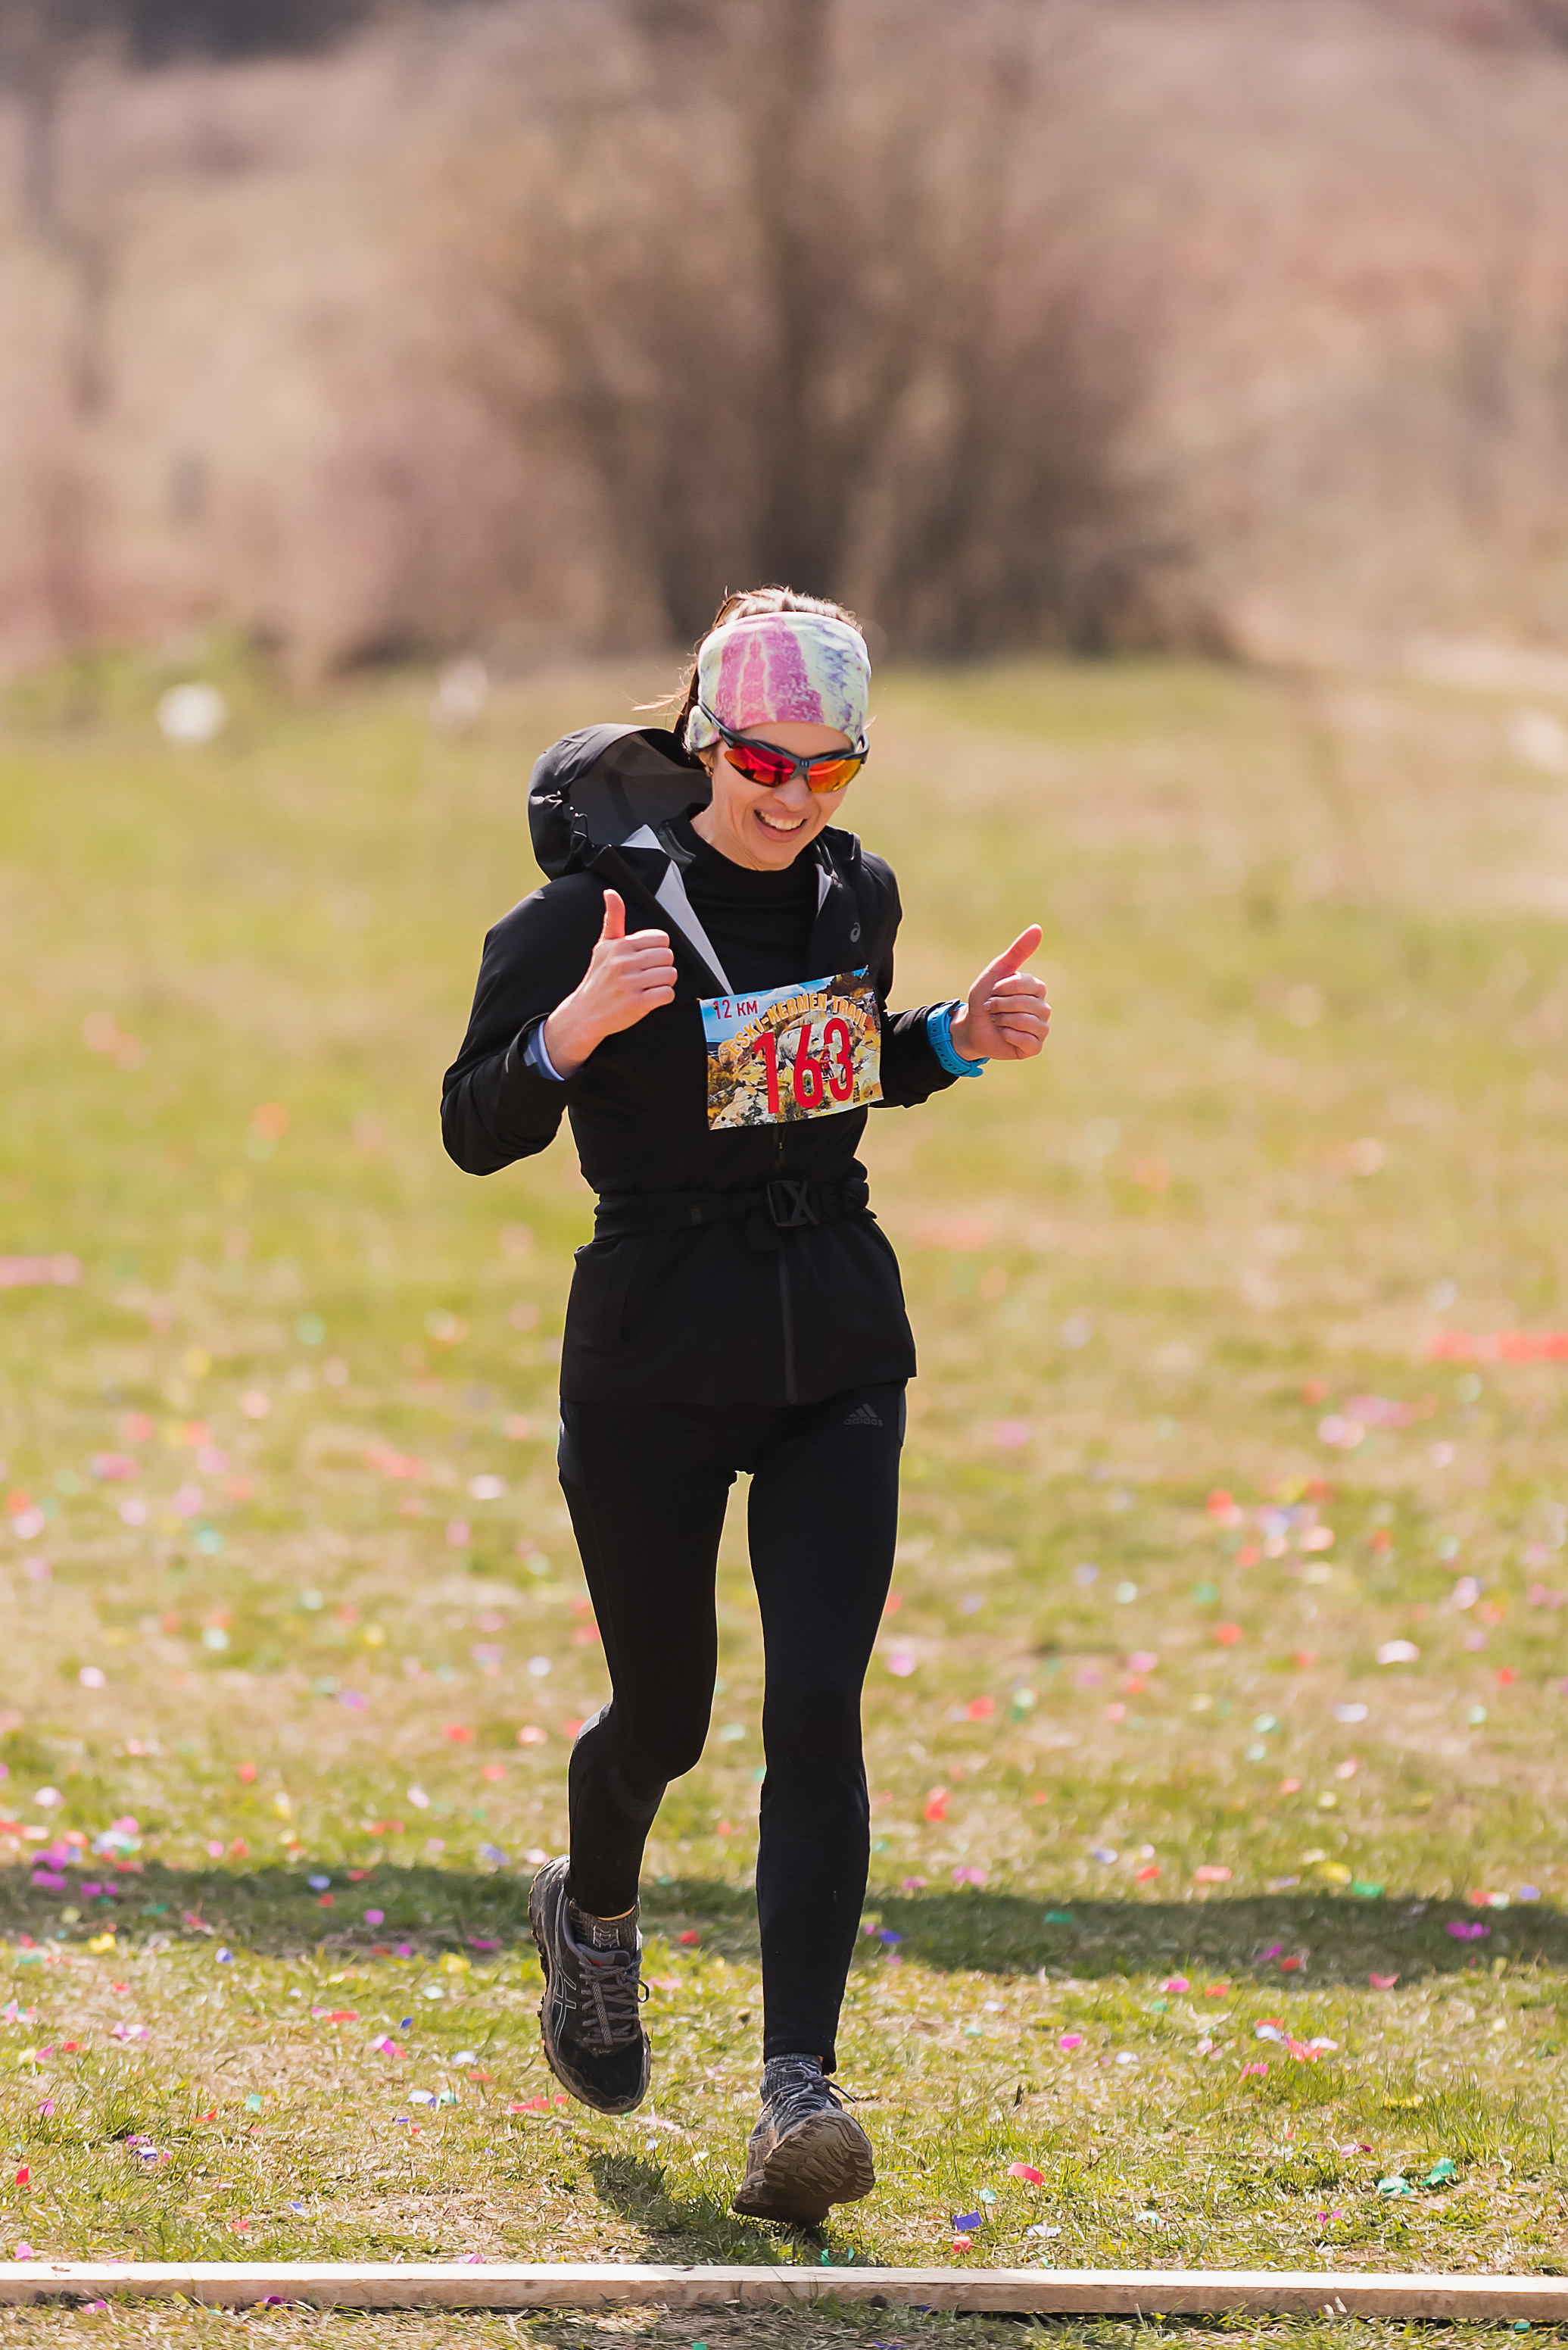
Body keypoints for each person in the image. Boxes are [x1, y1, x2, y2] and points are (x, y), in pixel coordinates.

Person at [441, 588, 1049, 2225]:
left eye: (830, 771)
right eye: (769, 764)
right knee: (667, 1718)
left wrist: (950, 1038)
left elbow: (819, 1070)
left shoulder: (860, 894)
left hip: (831, 1348)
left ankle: (799, 2093)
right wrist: (570, 1034)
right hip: (651, 1358)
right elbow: (472, 1123)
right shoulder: (589, 915)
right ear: (709, 741)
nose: (794, 799)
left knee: (816, 1713)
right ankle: (595, 1914)